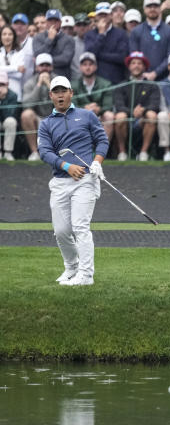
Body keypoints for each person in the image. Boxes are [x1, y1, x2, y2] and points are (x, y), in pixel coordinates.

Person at [37, 75, 109, 286]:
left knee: (80, 227)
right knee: (61, 231)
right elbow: (45, 152)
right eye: (56, 92)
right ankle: (72, 268)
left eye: (64, 91)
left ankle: (86, 275)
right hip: (60, 180)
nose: (60, 95)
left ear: (71, 93)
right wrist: (66, 166)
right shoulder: (46, 124)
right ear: (51, 95)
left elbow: (102, 140)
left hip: (85, 179)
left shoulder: (87, 116)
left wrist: (97, 162)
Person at [113, 51, 160, 161]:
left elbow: (155, 104)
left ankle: (143, 152)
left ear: (144, 67)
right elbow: (119, 105)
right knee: (120, 116)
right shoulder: (121, 85)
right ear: (129, 66)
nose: (136, 66)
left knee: (152, 115)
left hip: (143, 120)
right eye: (133, 63)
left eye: (139, 63)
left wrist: (143, 110)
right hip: (127, 119)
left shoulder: (152, 86)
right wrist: (132, 112)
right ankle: (122, 152)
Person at [71, 52, 116, 149]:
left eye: (90, 64)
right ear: (80, 67)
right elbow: (71, 105)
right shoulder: (73, 85)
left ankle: (101, 151)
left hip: (99, 116)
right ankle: (81, 151)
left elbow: (108, 105)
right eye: (84, 64)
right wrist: (84, 108)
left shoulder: (106, 84)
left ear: (95, 67)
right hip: (80, 117)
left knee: (109, 115)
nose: (88, 67)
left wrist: (98, 109)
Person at [129, 0, 170, 81]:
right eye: (149, 6)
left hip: (165, 78)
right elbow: (134, 56)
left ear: (160, 9)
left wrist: (156, 73)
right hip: (142, 78)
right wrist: (144, 73)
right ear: (144, 9)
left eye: (155, 6)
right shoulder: (136, 31)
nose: (152, 9)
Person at [20, 53, 56, 160]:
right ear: (36, 67)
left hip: (55, 117)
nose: (45, 68)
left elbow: (63, 102)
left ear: (52, 67)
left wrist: (50, 85)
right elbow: (26, 104)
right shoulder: (30, 82)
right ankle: (35, 152)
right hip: (38, 117)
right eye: (42, 65)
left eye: (47, 65)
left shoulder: (59, 80)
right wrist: (39, 85)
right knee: (26, 115)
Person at [31, 9, 75, 78]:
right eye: (50, 20)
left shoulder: (69, 39)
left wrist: (44, 61)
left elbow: (65, 59)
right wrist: (50, 39)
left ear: (60, 22)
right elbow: (37, 55)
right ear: (46, 22)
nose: (53, 23)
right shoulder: (37, 37)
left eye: (56, 20)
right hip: (41, 77)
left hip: (62, 77)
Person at [1, 24, 27, 99]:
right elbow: (17, 71)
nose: (7, 37)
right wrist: (15, 68)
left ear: (14, 37)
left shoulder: (20, 53)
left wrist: (2, 71)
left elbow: (19, 75)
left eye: (10, 34)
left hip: (15, 92)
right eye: (4, 34)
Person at [0, 71, 18, 160]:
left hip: (6, 121)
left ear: (7, 84)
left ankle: (8, 152)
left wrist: (2, 99)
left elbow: (9, 114)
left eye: (2, 84)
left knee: (11, 121)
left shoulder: (13, 95)